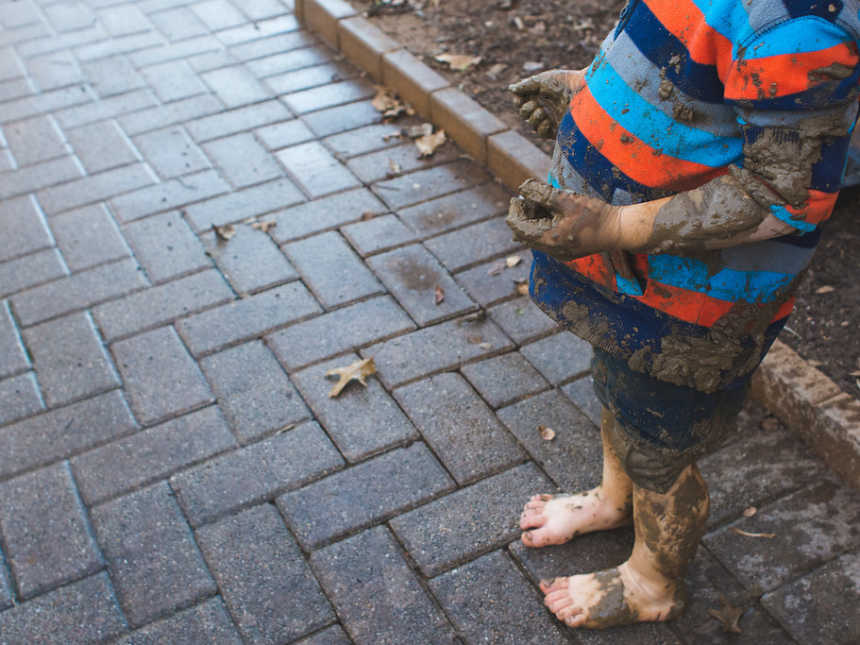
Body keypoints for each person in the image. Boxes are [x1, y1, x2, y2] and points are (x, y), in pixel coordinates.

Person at [506, 0, 860, 630]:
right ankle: (616, 501)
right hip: (637, 278)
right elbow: (684, 83)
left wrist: (615, 223)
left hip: (692, 301)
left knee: (660, 446)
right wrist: (585, 96)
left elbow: (785, 195)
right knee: (621, 389)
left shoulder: (798, 28)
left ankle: (651, 581)